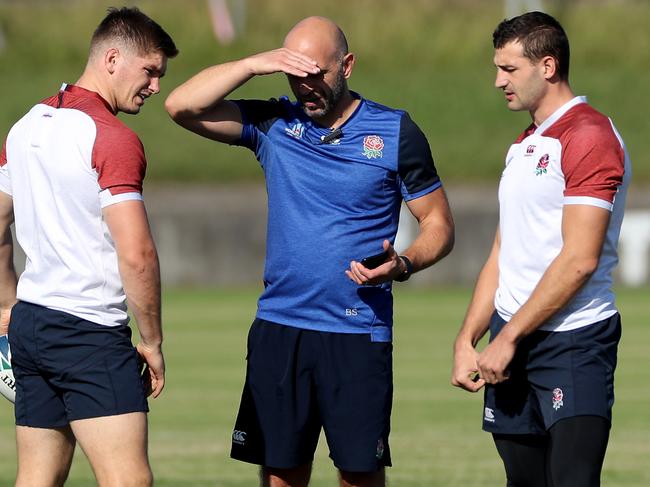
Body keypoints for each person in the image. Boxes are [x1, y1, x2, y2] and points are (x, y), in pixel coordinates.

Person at [165, 16, 454, 487]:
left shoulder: (395, 131)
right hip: (280, 327)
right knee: (281, 474)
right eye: (294, 75)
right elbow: (181, 106)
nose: (305, 86)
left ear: (348, 65)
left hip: (357, 333)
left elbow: (439, 224)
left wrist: (404, 263)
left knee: (359, 476)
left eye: (317, 73)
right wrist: (255, 64)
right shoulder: (274, 121)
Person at [451, 11, 630, 487]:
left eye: (508, 69)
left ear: (547, 67)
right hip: (510, 340)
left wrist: (507, 341)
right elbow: (502, 252)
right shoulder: (527, 142)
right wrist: (468, 338)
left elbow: (579, 260)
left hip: (572, 341)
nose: (497, 81)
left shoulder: (589, 136)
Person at [0, 7, 177, 486]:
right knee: (128, 480)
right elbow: (137, 252)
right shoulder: (113, 137)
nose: (155, 86)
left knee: (37, 477)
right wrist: (152, 342)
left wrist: (7, 304)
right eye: (151, 70)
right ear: (113, 58)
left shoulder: (24, 126)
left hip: (32, 323)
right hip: (88, 330)